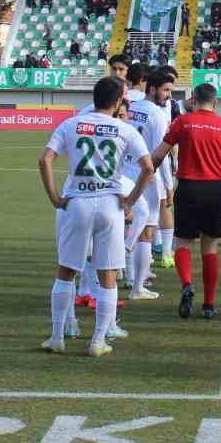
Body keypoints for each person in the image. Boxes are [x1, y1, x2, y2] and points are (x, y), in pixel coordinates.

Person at [37, 78, 153, 356]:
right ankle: (98, 341)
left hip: (78, 202)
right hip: (111, 206)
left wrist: (55, 197)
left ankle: (57, 337)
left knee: (66, 271)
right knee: (108, 275)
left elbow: (45, 160)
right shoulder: (124, 130)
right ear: (116, 103)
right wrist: (131, 200)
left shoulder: (71, 124)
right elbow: (148, 168)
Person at [149, 83, 221, 320]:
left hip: (188, 188)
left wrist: (145, 177)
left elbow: (159, 155)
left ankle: (187, 285)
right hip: (214, 190)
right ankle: (209, 305)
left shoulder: (182, 122)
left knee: (183, 243)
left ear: (193, 99)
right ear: (215, 101)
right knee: (210, 248)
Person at [121, 69, 175, 302]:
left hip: (126, 171)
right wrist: (169, 186)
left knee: (132, 224)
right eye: (166, 90)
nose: (169, 95)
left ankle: (131, 276)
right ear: (152, 89)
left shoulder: (132, 107)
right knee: (147, 230)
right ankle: (137, 286)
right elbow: (159, 155)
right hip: (148, 177)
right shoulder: (158, 115)